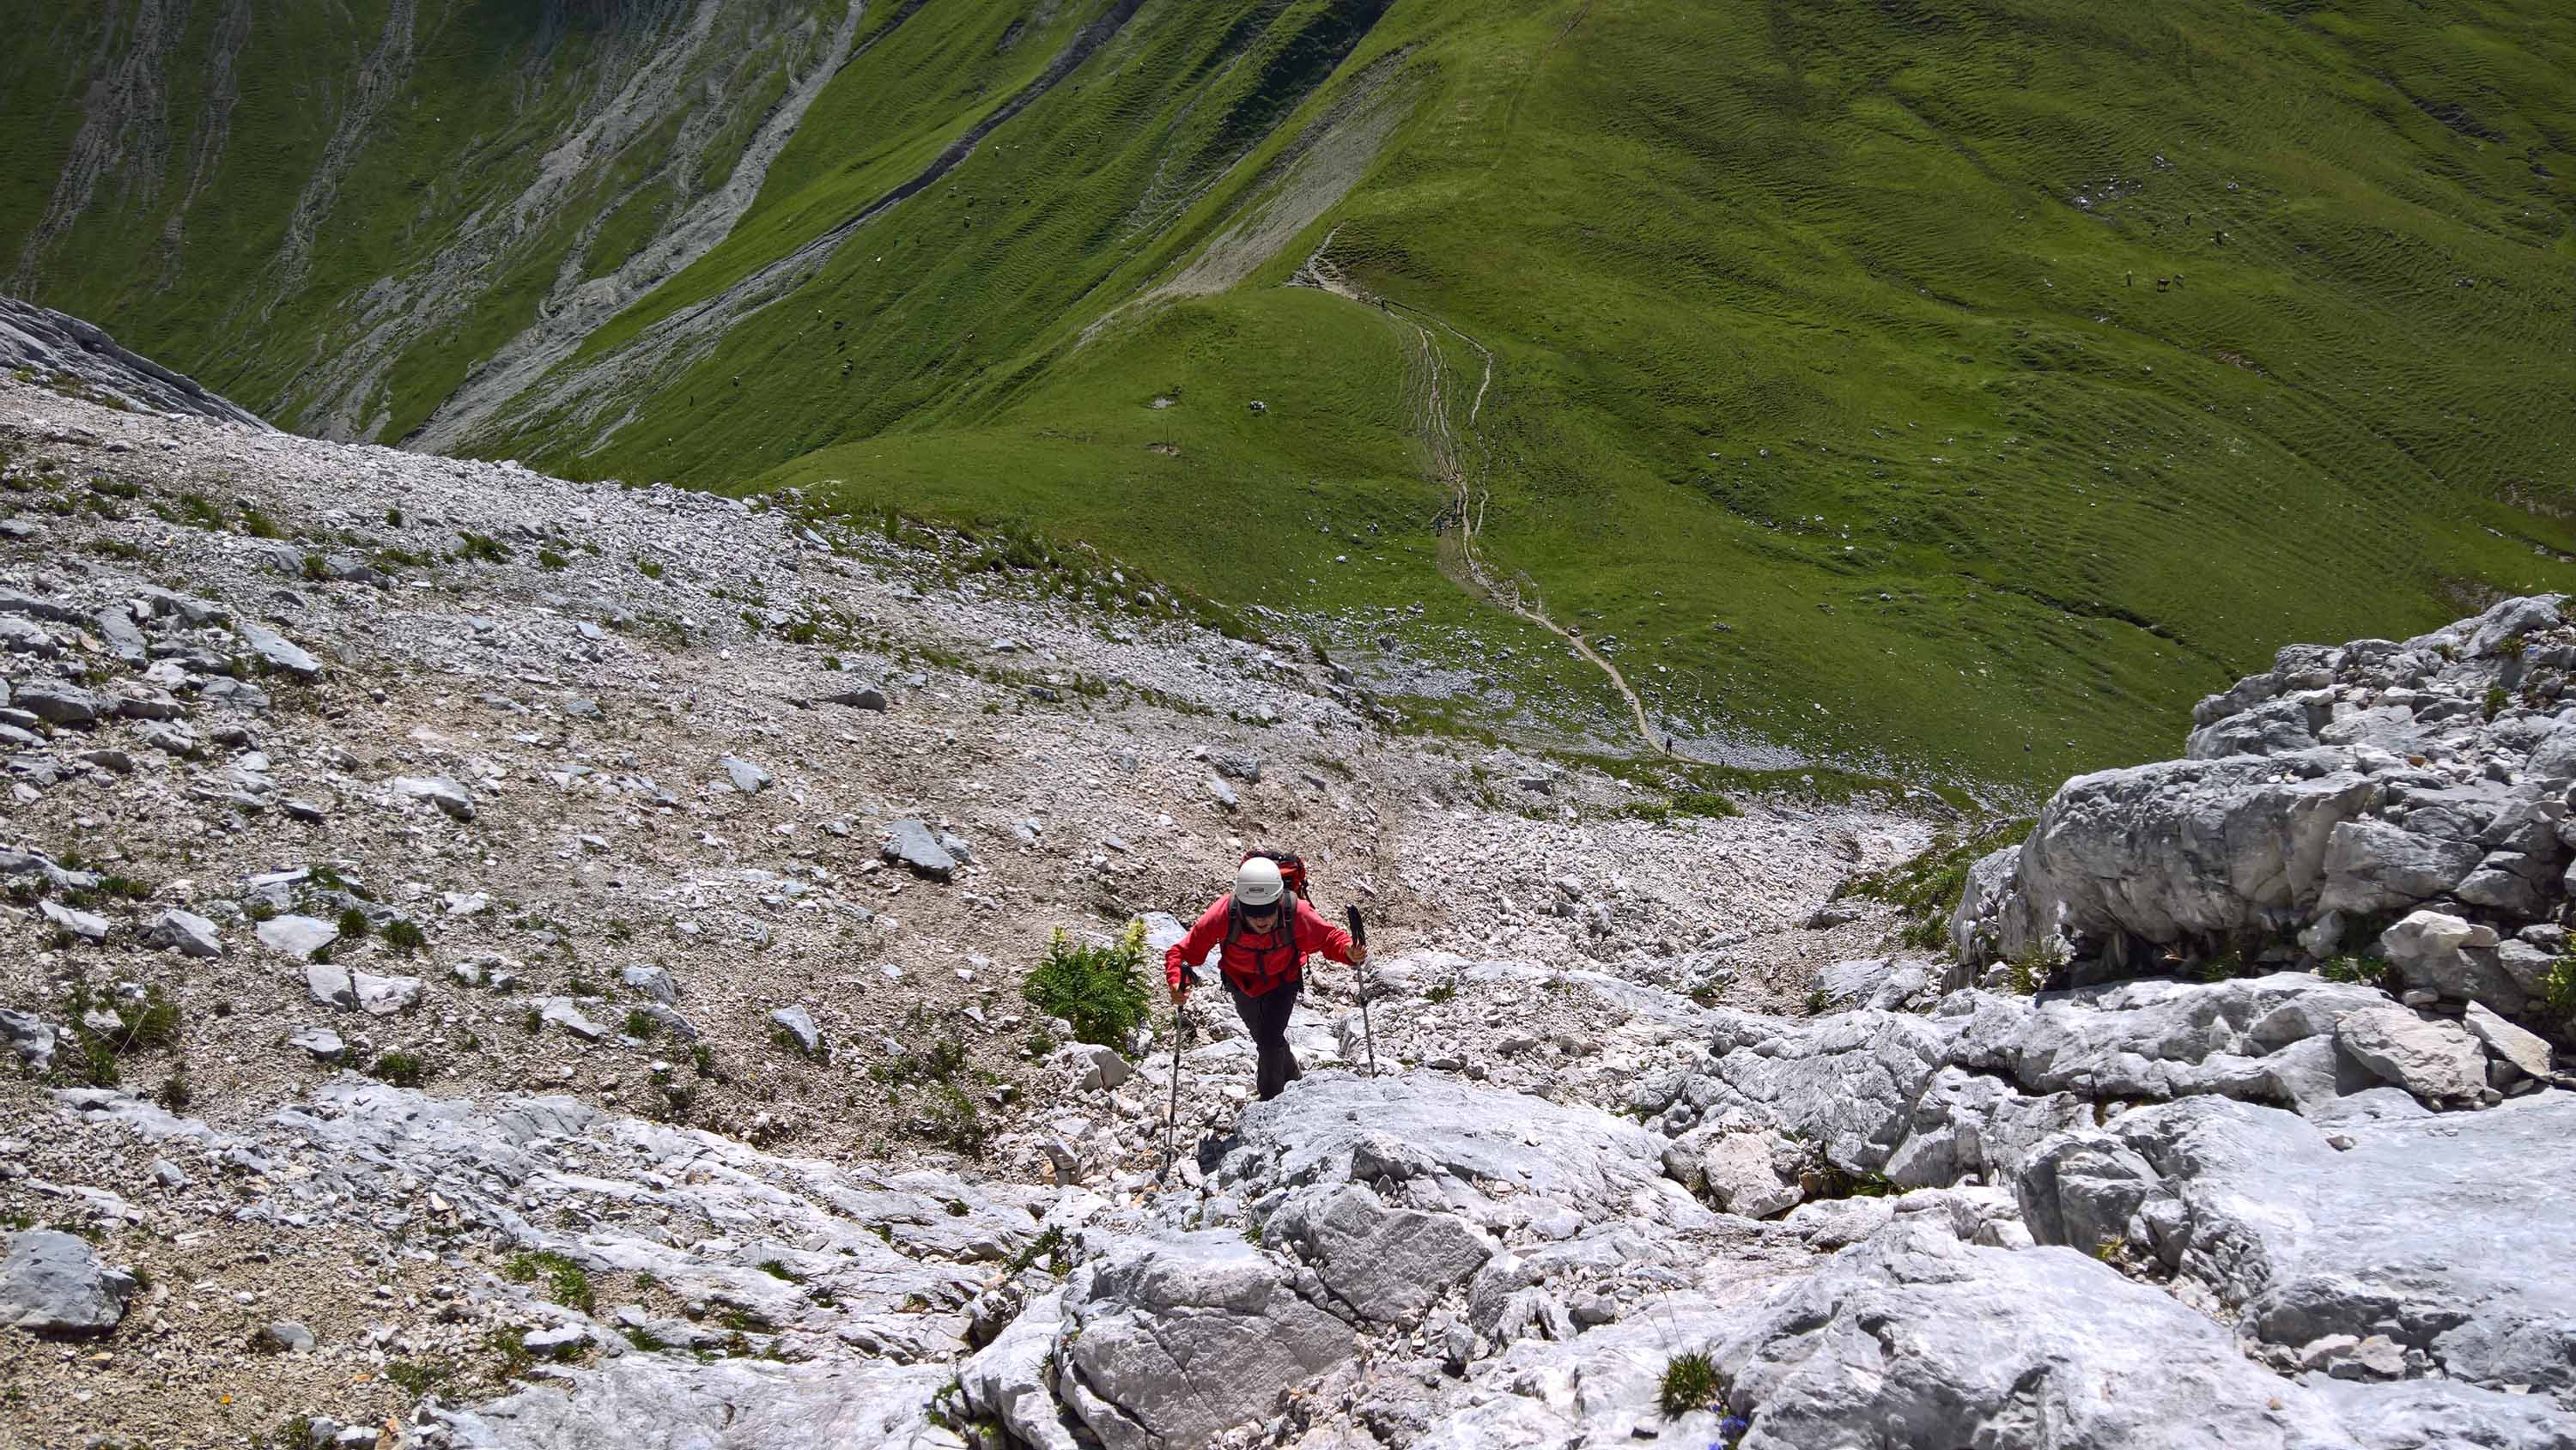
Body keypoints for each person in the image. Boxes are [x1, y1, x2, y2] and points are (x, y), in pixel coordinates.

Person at [1165, 856, 1365, 1101]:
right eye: (1253, 912)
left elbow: (1327, 938)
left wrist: (1348, 950)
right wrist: (1177, 981)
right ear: (1241, 903)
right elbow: (1183, 953)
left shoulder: (1295, 910)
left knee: (1268, 1041)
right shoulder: (1224, 913)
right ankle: (1294, 1079)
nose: (1261, 919)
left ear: (1278, 900)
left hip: (1283, 982)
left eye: (1267, 911)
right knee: (1268, 1037)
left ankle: (1270, 1103)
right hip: (1241, 984)